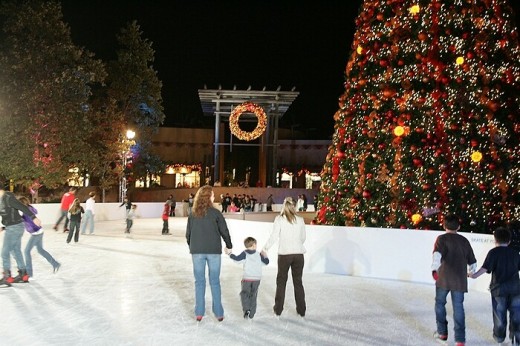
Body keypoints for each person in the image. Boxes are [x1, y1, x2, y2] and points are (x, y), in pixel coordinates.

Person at [186, 185, 232, 322]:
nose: (214, 197)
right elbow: (224, 231)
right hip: (213, 251)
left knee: (199, 282)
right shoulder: (216, 213)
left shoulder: (193, 214)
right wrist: (229, 246)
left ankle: (199, 312)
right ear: (208, 197)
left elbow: (188, 234)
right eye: (212, 195)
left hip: (197, 252)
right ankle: (218, 313)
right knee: (215, 282)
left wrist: (193, 247)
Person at [431, 214, 477, 346]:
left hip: (443, 279)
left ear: (444, 226)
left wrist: (434, 269)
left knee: (440, 304)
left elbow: (437, 255)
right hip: (459, 281)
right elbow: (472, 262)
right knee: (458, 308)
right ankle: (460, 340)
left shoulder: (441, 239)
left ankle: (442, 333)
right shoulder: (464, 241)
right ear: (459, 226)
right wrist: (471, 272)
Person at [469, 227, 520, 345]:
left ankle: (499, 339)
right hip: (515, 289)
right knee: (517, 315)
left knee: (499, 316)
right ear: (509, 241)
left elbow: (485, 268)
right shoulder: (515, 253)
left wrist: (474, 275)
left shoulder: (493, 252)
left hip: (498, 290)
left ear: (495, 240)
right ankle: (516, 338)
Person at [263, 196, 307, 318]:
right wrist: (297, 245)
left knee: (281, 282)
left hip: (284, 255)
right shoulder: (300, 219)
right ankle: (301, 310)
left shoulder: (279, 219)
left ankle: (278, 309)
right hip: (298, 255)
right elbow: (303, 238)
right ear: (294, 206)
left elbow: (274, 236)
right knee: (298, 282)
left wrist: (265, 248)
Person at [0, 184, 42, 286]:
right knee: (15, 250)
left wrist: (33, 217)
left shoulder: (8, 198)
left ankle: (7, 277)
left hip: (14, 228)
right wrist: (3, 227)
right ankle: (23, 274)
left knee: (4, 252)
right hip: (13, 227)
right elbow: (6, 215)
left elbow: (22, 206)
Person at [226, 237, 269, 319]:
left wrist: (229, 254)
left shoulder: (245, 253)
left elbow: (237, 259)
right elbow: (266, 262)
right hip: (257, 279)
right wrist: (265, 256)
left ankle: (246, 310)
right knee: (253, 295)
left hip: (247, 279)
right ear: (253, 245)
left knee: (244, 294)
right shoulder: (259, 255)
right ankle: (252, 313)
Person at [18, 196, 60, 279]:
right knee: (40, 250)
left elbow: (30, 221)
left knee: (26, 251)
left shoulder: (27, 211)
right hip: (39, 232)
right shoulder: (28, 209)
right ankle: (55, 264)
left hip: (36, 233)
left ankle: (29, 273)